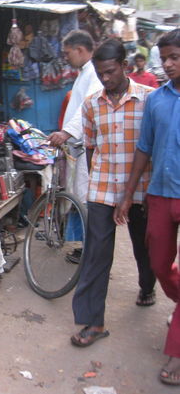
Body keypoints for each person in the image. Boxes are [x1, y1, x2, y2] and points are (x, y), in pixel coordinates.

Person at [70, 38, 156, 347]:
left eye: (110, 72)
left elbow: (155, 148)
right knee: (96, 255)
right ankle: (93, 323)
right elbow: (91, 147)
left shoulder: (150, 100)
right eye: (100, 73)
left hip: (141, 190)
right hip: (104, 189)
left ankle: (147, 287)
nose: (105, 79)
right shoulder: (92, 103)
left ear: (125, 67)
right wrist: (96, 181)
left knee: (144, 250)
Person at [114, 28, 180, 385]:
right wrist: (128, 195)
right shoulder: (157, 100)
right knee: (157, 261)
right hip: (160, 193)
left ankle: (176, 354)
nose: (167, 65)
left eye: (174, 57)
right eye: (165, 58)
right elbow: (144, 149)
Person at [48, 30, 102, 263]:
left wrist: (66, 132)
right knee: (81, 198)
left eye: (68, 53)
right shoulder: (85, 73)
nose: (66, 58)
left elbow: (88, 107)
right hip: (80, 147)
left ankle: (93, 252)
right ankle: (86, 247)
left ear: (80, 50)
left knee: (87, 200)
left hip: (88, 148)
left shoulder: (95, 74)